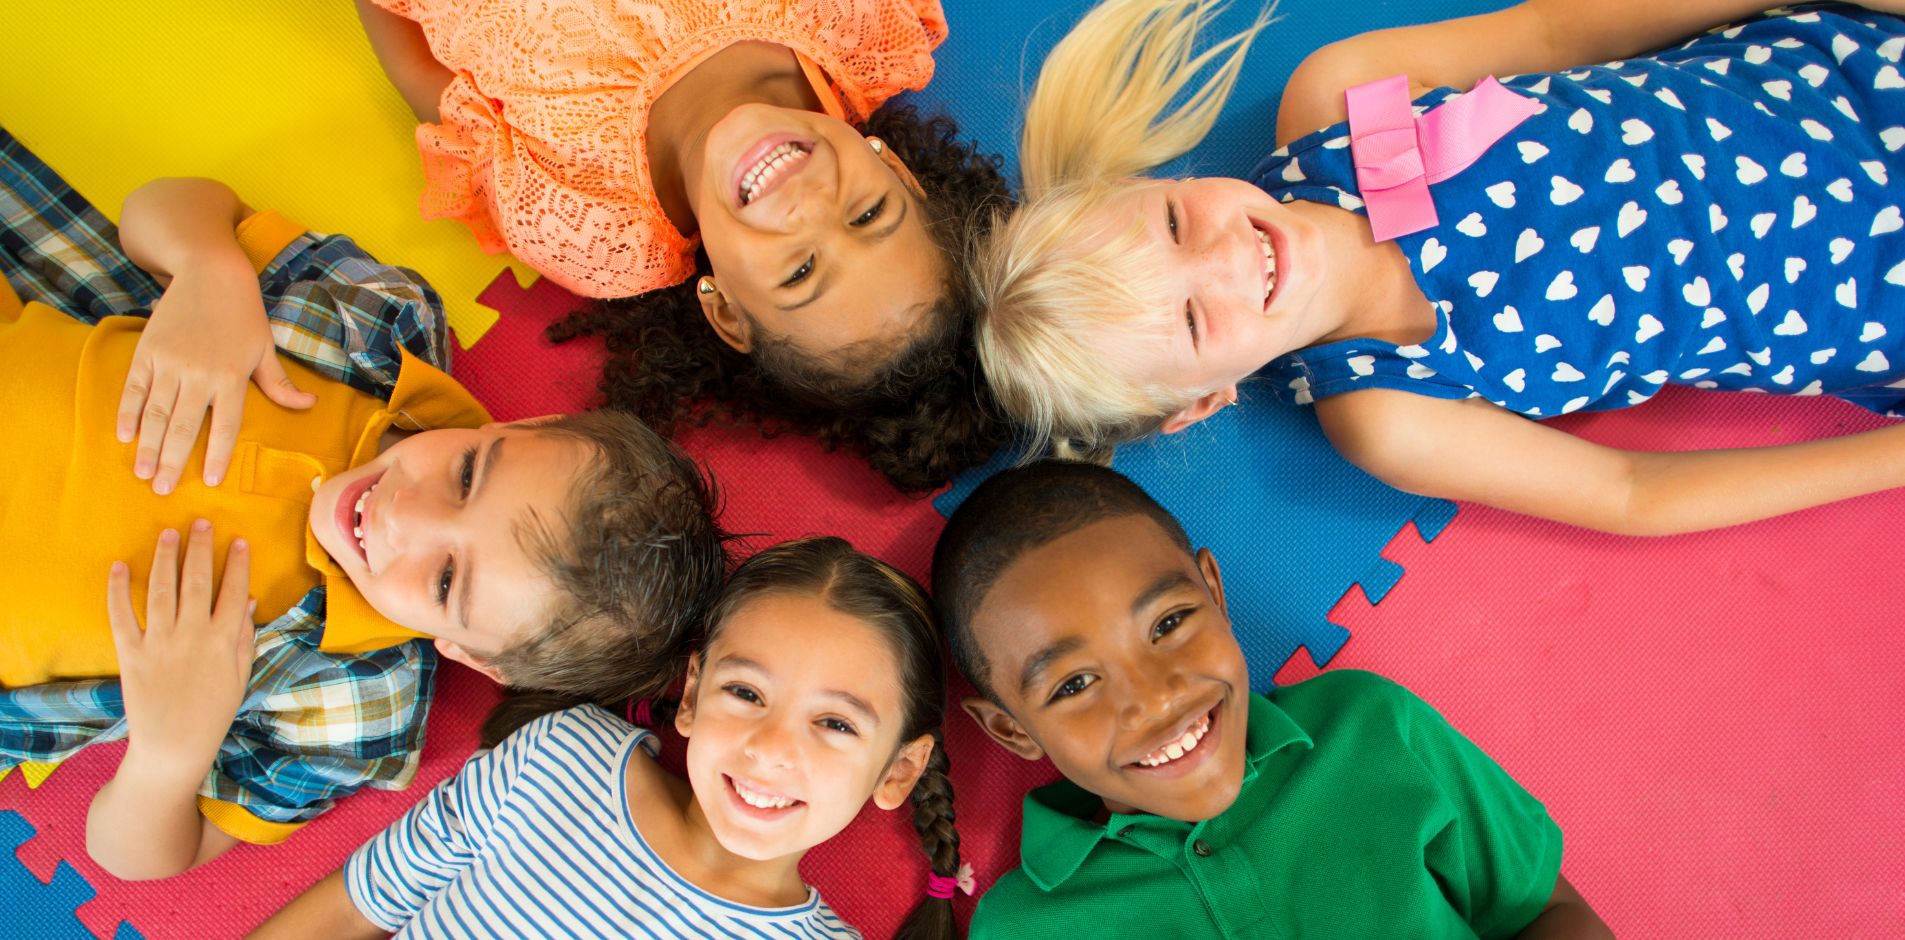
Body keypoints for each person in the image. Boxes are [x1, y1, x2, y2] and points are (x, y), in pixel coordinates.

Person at [0, 131, 726, 880]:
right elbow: (158, 210)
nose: (402, 515)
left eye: (447, 581)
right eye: (469, 475)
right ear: (521, 427)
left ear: (471, 656)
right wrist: (206, 267)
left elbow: (139, 859)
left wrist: (167, 751)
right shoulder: (377, 331)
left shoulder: (351, 706)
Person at [975, 0, 1905, 534]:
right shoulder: (1390, 414)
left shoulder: (1333, 102)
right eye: (1189, 320)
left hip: (1851, 72)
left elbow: (1556, 36)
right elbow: (1632, 494)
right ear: (1203, 402)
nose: (1227, 256)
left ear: (1159, 180)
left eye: (1175, 221)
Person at [931, 460, 1611, 939]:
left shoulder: (1368, 726)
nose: (1155, 698)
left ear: (1214, 593)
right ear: (1010, 730)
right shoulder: (1021, 926)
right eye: (1074, 684)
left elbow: (1547, 912)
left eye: (1167, 625)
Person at [355, 0, 1013, 491]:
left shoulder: (582, 223)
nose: (806, 203)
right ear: (896, 169)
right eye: (869, 213)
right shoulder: (856, 22)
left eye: (802, 270)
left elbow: (417, 68)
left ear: (724, 308)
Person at [255, 537, 968, 940]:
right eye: (745, 693)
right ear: (691, 694)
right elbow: (352, 910)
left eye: (835, 724)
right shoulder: (560, 758)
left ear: (898, 771)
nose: (771, 747)